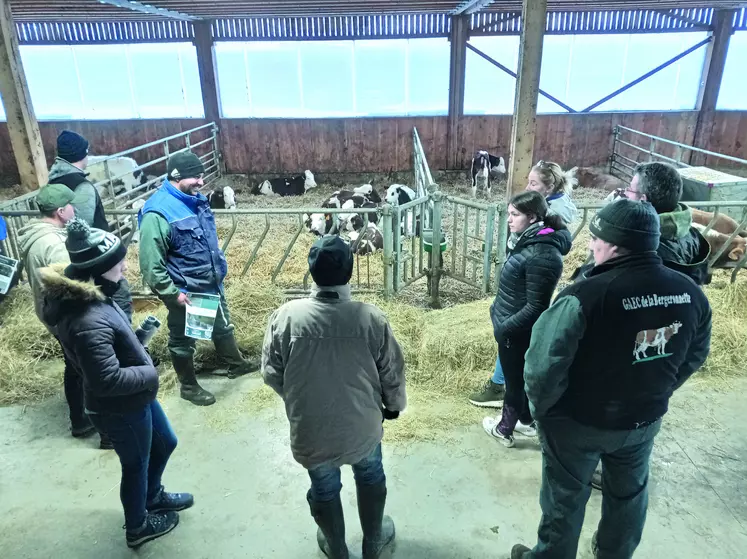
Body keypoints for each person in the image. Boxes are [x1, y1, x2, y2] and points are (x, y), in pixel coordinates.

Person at [510, 200, 711, 559]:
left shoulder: (585, 295)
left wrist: (544, 412)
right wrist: (654, 390)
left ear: (615, 245)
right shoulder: (691, 292)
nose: (590, 246)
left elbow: (543, 367)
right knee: (629, 496)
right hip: (644, 420)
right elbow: (693, 356)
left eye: (595, 238)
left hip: (579, 423)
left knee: (565, 498)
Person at [39, 218, 193, 548]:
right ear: (100, 268)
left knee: (165, 443)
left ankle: (153, 496)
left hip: (135, 396)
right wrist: (150, 373)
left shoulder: (97, 297)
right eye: (118, 261)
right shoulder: (86, 318)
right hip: (119, 406)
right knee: (135, 463)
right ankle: (138, 527)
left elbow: (109, 352)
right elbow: (106, 378)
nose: (124, 264)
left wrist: (139, 338)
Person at [262, 235, 407, 559]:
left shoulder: (286, 316)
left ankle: (338, 549)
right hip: (362, 427)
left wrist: (298, 397)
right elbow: (392, 373)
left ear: (312, 272)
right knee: (370, 475)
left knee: (324, 487)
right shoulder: (370, 318)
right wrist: (394, 407)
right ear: (350, 271)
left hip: (311, 429)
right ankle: (372, 544)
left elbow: (271, 372)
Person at [579, 161, 711, 490]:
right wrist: (665, 383)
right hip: (659, 360)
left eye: (629, 192)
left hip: (620, 356)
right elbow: (696, 346)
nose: (624, 197)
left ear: (645, 201)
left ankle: (598, 466)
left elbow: (591, 289)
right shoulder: (689, 235)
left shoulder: (639, 243)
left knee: (604, 421)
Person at [138, 151, 256, 406]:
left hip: (208, 282)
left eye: (201, 176)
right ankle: (188, 386)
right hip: (187, 290)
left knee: (221, 325)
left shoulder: (192, 199)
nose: (201, 182)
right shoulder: (157, 212)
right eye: (196, 177)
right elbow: (150, 264)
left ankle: (235, 364)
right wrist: (172, 293)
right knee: (184, 339)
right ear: (176, 177)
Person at [469, 161, 577, 408]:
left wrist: (504, 326)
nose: (527, 186)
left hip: (520, 304)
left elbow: (535, 304)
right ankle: (509, 395)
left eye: (533, 183)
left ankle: (507, 401)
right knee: (514, 349)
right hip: (514, 298)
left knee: (516, 351)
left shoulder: (543, 245)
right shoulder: (535, 230)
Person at [17, 184, 112, 446]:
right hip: (69, 316)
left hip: (52, 313)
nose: (75, 209)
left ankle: (80, 419)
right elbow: (74, 286)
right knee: (90, 370)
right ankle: (103, 430)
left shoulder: (36, 237)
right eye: (71, 205)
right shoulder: (55, 244)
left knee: (75, 366)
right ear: (61, 211)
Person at [482, 191, 572, 448]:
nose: (509, 219)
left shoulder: (543, 254)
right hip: (511, 322)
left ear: (532, 217)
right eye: (509, 213)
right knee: (517, 376)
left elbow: (536, 306)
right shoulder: (530, 241)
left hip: (517, 330)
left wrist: (504, 328)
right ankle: (525, 420)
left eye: (515, 215)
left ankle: (504, 430)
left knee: (514, 381)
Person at [48, 129, 134, 321]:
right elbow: (83, 228)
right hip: (97, 260)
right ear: (83, 154)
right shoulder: (82, 187)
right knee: (120, 298)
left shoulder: (53, 181)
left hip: (80, 260)